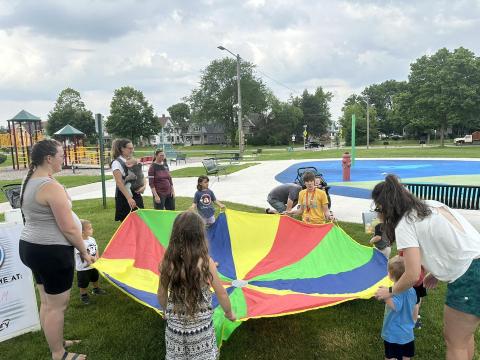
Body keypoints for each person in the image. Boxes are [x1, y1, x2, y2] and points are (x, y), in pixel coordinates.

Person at [373, 174, 480, 359]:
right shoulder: (431, 205)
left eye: (377, 208)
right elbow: (458, 240)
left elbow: (412, 274)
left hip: (470, 278)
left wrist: (390, 291)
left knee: (455, 343)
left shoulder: (405, 222)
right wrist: (436, 273)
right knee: (464, 337)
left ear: (385, 208)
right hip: (475, 265)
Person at [18, 139, 94, 360]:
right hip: (51, 253)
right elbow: (69, 228)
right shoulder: (49, 186)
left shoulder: (31, 179)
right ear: (49, 158)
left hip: (33, 248)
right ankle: (58, 353)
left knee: (47, 301)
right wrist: (83, 250)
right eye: (61, 155)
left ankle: (56, 341)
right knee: (57, 306)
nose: (65, 159)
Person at [157, 211, 236, 359]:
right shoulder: (206, 262)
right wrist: (229, 313)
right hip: (201, 329)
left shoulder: (167, 262)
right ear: (200, 236)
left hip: (176, 328)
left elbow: (161, 293)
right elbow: (221, 293)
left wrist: (165, 311)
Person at [381, 256, 417, 360]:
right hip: (407, 333)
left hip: (394, 334)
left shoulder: (395, 293)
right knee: (406, 355)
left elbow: (396, 306)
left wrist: (386, 296)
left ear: (390, 276)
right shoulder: (412, 290)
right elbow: (415, 304)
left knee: (391, 356)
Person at [111, 139, 145, 221]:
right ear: (122, 149)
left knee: (140, 221)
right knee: (127, 223)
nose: (132, 150)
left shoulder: (132, 160)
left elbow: (141, 175)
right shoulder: (116, 163)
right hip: (124, 196)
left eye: (132, 148)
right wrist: (129, 198)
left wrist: (144, 186)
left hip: (136, 194)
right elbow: (119, 182)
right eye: (129, 148)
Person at [75, 219, 106, 305]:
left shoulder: (92, 239)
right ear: (82, 232)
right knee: (83, 282)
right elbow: (83, 254)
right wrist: (93, 259)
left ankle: (96, 289)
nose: (92, 230)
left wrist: (97, 258)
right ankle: (83, 295)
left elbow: (96, 249)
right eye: (89, 228)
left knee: (95, 277)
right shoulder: (78, 243)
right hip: (83, 269)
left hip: (93, 266)